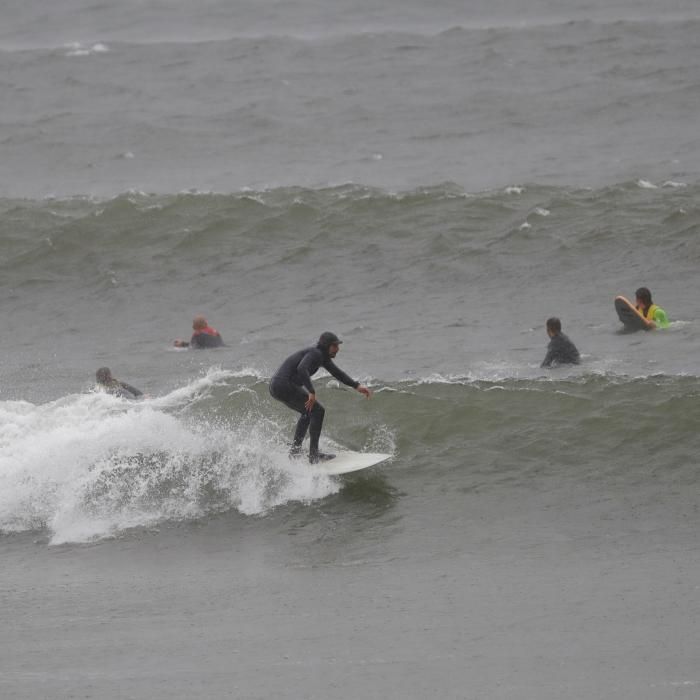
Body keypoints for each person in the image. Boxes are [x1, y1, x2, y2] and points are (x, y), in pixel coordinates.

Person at [269, 332, 371, 463]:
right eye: (335, 345)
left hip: (277, 386)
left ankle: (295, 452)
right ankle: (313, 455)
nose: (338, 349)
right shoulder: (315, 353)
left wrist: (356, 386)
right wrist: (311, 391)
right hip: (283, 384)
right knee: (318, 411)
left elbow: (337, 373)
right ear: (326, 346)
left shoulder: (322, 357)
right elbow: (302, 368)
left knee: (308, 411)